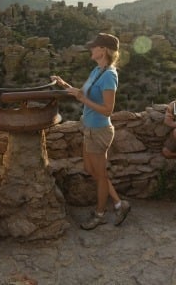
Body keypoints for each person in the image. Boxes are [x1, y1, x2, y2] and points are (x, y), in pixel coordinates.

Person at [51, 33, 131, 230]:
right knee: (91, 169)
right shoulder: (97, 70)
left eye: (94, 47)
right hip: (89, 128)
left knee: (100, 174)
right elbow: (83, 94)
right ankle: (120, 203)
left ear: (103, 50)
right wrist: (65, 85)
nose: (90, 49)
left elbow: (107, 109)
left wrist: (81, 99)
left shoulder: (110, 75)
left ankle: (100, 214)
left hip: (99, 129)